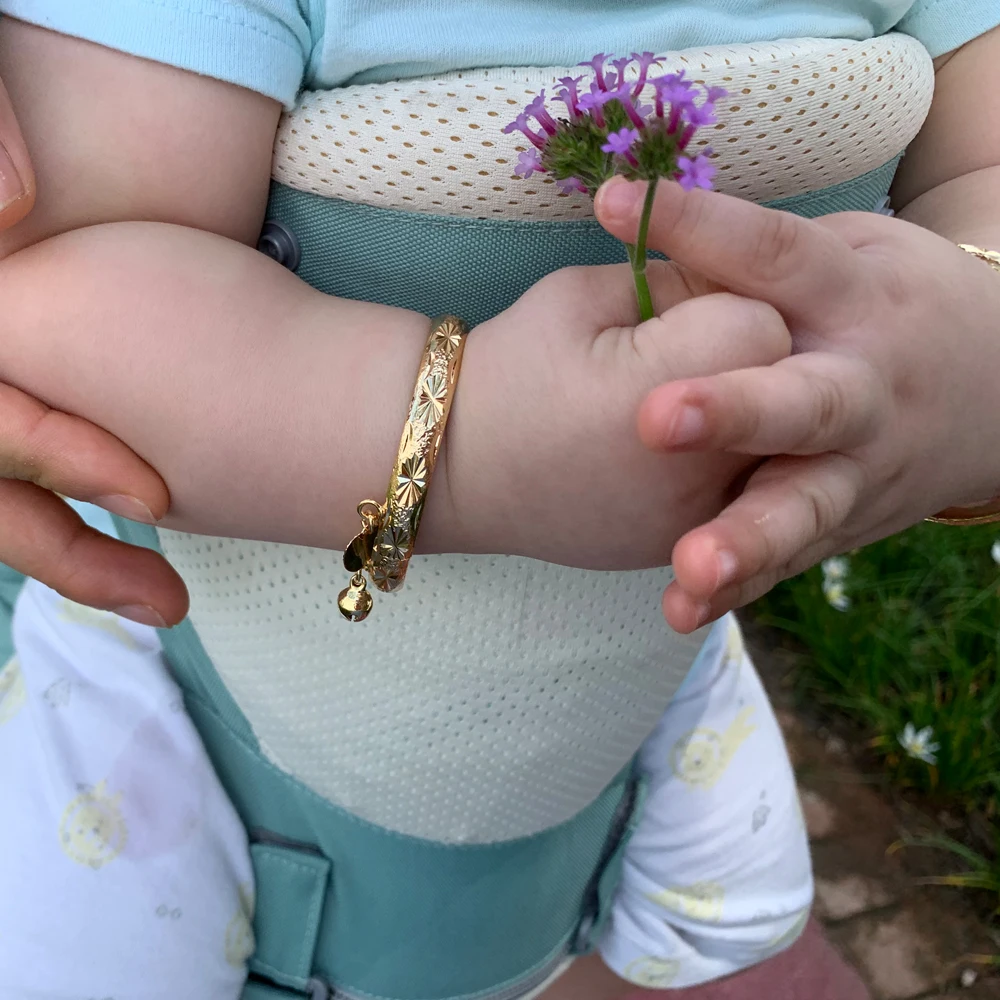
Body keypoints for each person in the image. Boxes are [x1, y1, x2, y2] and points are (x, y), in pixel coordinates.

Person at [0, 6, 995, 1000]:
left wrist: (971, 343)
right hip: (190, 668)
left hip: (642, 636)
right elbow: (61, 288)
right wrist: (464, 446)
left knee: (660, 912)